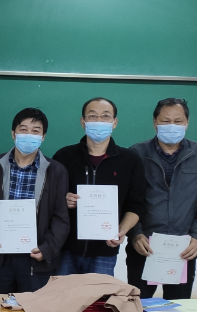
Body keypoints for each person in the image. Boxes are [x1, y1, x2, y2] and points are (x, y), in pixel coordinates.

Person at [127, 98, 197, 299]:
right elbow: (128, 200)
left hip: (183, 248)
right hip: (144, 245)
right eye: (165, 121)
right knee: (136, 307)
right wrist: (135, 234)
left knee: (178, 308)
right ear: (155, 122)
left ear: (187, 123)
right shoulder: (137, 153)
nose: (172, 126)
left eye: (178, 121)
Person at [0, 107, 70, 293]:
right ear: (13, 133)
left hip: (36, 258)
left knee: (35, 309)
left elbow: (61, 218)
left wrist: (47, 249)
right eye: (23, 129)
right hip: (1, 257)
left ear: (43, 137)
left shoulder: (56, 170)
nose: (29, 135)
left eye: (35, 131)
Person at [53, 97, 146, 276]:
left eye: (105, 116)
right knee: (64, 294)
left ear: (114, 122)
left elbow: (136, 205)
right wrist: (63, 200)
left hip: (105, 249)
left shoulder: (130, 160)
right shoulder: (64, 156)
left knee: (99, 294)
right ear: (83, 121)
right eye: (92, 116)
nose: (99, 121)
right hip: (65, 248)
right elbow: (49, 199)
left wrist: (121, 230)